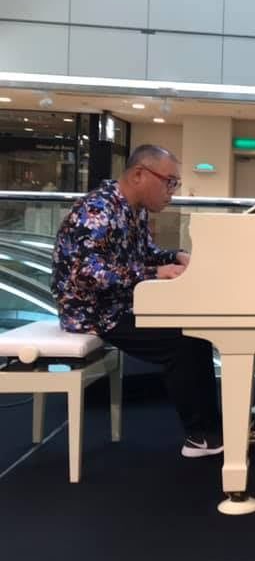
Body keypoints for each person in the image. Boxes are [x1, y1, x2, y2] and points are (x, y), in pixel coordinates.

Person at [51, 144, 222, 458]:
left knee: (197, 330)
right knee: (182, 341)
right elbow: (88, 274)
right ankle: (199, 435)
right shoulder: (98, 209)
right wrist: (155, 272)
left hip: (120, 302)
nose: (172, 192)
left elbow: (145, 254)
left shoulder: (133, 209)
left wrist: (175, 256)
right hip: (94, 312)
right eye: (169, 182)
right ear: (139, 175)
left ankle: (213, 431)